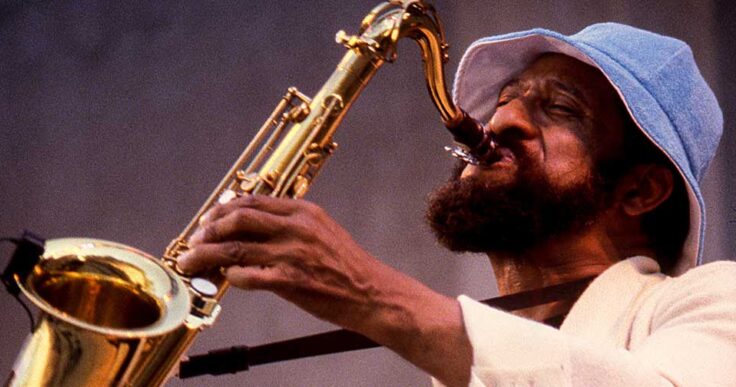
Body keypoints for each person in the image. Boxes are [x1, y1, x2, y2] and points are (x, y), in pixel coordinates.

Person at [177, 23, 736, 386]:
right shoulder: (457, 370)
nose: (502, 121)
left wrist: (371, 294)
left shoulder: (714, 298)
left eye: (560, 109)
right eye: (507, 100)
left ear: (640, 190)